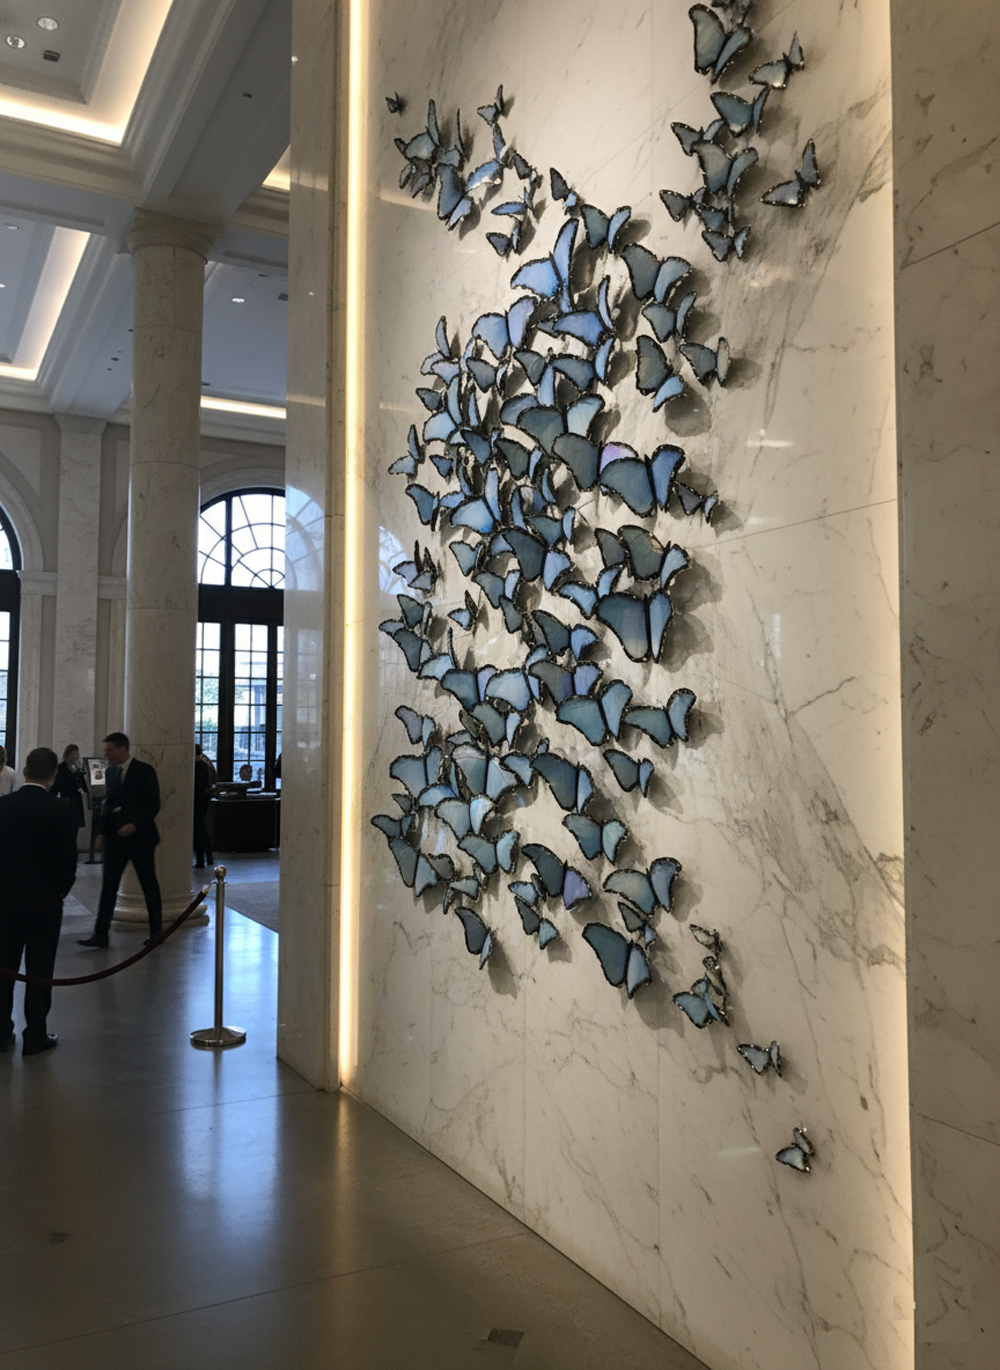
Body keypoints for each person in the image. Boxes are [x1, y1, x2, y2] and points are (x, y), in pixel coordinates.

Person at [0, 747, 78, 1055]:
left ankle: (1, 1031)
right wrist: (58, 892)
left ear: (26, 771)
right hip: (44, 904)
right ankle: (35, 1035)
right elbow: (68, 862)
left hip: (3, 903)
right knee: (39, 970)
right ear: (53, 774)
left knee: (3, 968)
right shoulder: (60, 810)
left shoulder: (3, 806)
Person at [78, 732, 162, 948]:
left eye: (109, 750)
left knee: (148, 884)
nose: (106, 754)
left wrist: (134, 824)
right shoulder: (112, 772)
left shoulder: (145, 771)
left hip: (141, 839)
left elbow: (153, 805)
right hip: (116, 840)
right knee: (109, 886)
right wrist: (103, 834)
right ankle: (100, 934)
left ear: (123, 749)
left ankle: (156, 932)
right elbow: (110, 804)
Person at [51, 744, 89, 831]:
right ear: (67, 755)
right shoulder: (61, 768)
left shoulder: (78, 768)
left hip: (76, 800)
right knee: (66, 827)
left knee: (75, 828)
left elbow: (84, 786)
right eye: (72, 754)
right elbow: (57, 785)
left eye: (76, 754)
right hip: (66, 800)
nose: (74, 757)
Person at [193, 741, 214, 870]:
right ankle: (208, 856)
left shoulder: (198, 766)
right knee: (200, 829)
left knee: (198, 830)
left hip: (198, 801)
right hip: (202, 800)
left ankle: (202, 859)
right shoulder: (204, 765)